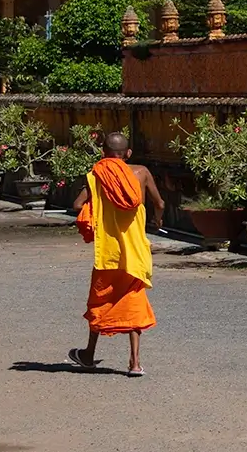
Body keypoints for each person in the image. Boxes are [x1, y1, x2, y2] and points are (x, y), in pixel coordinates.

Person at [68, 132, 164, 376]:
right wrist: (156, 220)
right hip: (135, 252)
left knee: (100, 301)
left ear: (103, 153)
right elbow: (160, 203)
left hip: (108, 254)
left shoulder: (96, 175)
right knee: (134, 302)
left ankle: (88, 354)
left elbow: (77, 206)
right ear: (128, 153)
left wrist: (98, 208)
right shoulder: (141, 172)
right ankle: (134, 363)